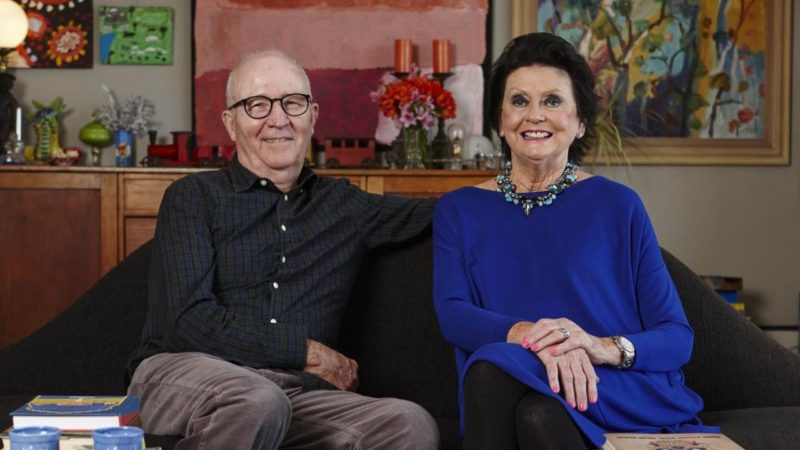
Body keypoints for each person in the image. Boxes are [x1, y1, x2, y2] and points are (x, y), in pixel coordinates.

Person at [126, 50, 439, 450]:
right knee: (256, 400)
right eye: (257, 105)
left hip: (291, 393)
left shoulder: (345, 205)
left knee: (408, 424)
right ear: (231, 123)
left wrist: (520, 179)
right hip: (181, 375)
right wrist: (306, 352)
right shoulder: (194, 197)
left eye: (293, 102)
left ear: (313, 116)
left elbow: (453, 209)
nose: (279, 119)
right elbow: (187, 321)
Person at [432, 33, 718, 450]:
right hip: (516, 376)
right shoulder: (458, 210)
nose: (534, 115)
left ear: (580, 121)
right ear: (498, 120)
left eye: (552, 101)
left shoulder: (618, 205)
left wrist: (596, 347)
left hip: (611, 385)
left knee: (499, 375)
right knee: (523, 396)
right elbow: (454, 314)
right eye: (519, 101)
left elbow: (677, 337)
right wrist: (536, 339)